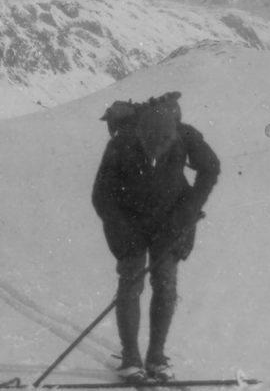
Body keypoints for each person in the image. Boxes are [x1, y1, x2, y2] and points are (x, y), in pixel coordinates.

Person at [91, 92, 220, 382]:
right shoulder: (121, 141)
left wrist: (186, 214)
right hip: (130, 223)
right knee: (131, 283)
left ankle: (156, 356)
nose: (154, 154)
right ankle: (131, 358)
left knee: (165, 284)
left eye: (162, 147)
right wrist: (123, 234)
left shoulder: (185, 135)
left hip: (170, 222)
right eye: (149, 147)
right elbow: (102, 195)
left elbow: (211, 168)